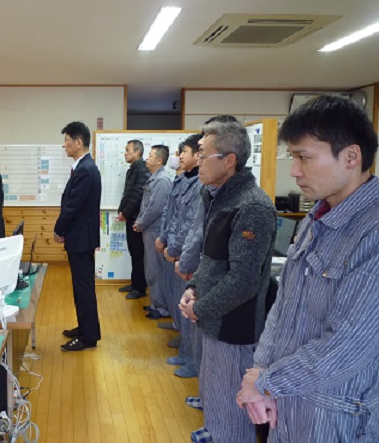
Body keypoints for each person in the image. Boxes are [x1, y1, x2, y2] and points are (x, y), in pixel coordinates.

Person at [236, 95, 379, 442]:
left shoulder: (372, 231)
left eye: (304, 157)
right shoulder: (316, 217)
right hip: (286, 399)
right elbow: (283, 307)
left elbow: (348, 347)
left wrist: (266, 382)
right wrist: (261, 374)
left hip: (335, 415)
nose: (295, 170)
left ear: (351, 157)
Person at [178, 120, 277, 443]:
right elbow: (211, 261)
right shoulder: (217, 198)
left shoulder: (252, 206)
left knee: (231, 410)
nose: (198, 161)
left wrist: (200, 308)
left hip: (233, 327)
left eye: (203, 154)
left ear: (229, 160)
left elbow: (244, 281)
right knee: (215, 395)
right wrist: (193, 289)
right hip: (211, 317)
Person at [158, 133, 203, 378]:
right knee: (178, 298)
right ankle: (186, 349)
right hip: (175, 249)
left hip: (186, 254)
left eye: (183, 152)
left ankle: (192, 359)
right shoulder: (183, 179)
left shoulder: (200, 185)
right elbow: (171, 214)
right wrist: (166, 240)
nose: (179, 157)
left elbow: (190, 225)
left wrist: (174, 248)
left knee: (189, 306)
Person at [55, 121, 102, 352]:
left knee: (83, 287)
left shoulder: (85, 169)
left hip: (81, 238)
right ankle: (85, 328)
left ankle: (88, 337)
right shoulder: (84, 166)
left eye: (67, 140)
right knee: (81, 286)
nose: (64, 145)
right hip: (81, 237)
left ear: (78, 142)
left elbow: (72, 206)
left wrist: (58, 229)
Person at [132, 145, 171, 317]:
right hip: (149, 229)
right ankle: (155, 303)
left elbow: (155, 208)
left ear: (159, 160)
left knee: (157, 270)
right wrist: (140, 222)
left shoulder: (162, 180)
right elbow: (146, 205)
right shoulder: (154, 178)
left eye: (150, 156)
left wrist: (140, 223)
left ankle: (161, 308)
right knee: (151, 268)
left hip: (155, 230)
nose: (147, 159)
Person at [117, 140, 150, 297]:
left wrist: (126, 212)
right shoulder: (132, 169)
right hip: (131, 217)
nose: (125, 153)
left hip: (138, 219)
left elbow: (137, 195)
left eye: (128, 150)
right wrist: (122, 211)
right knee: (134, 252)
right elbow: (127, 194)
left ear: (137, 152)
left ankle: (139, 288)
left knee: (138, 254)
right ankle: (134, 284)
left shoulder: (142, 169)